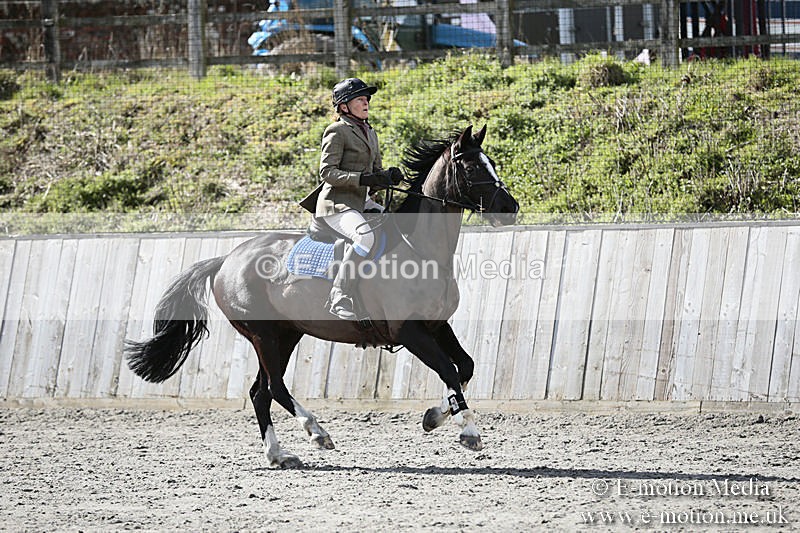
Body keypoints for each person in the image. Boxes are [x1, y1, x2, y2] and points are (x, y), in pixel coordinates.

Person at [313, 78, 402, 320]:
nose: (366, 103)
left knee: (400, 227)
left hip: (362, 202)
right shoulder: (337, 131)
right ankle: (339, 294)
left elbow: (374, 172)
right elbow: (327, 173)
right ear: (344, 106)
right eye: (360, 99)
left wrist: (385, 178)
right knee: (365, 236)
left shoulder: (370, 131)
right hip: (337, 205)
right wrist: (362, 180)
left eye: (367, 99)